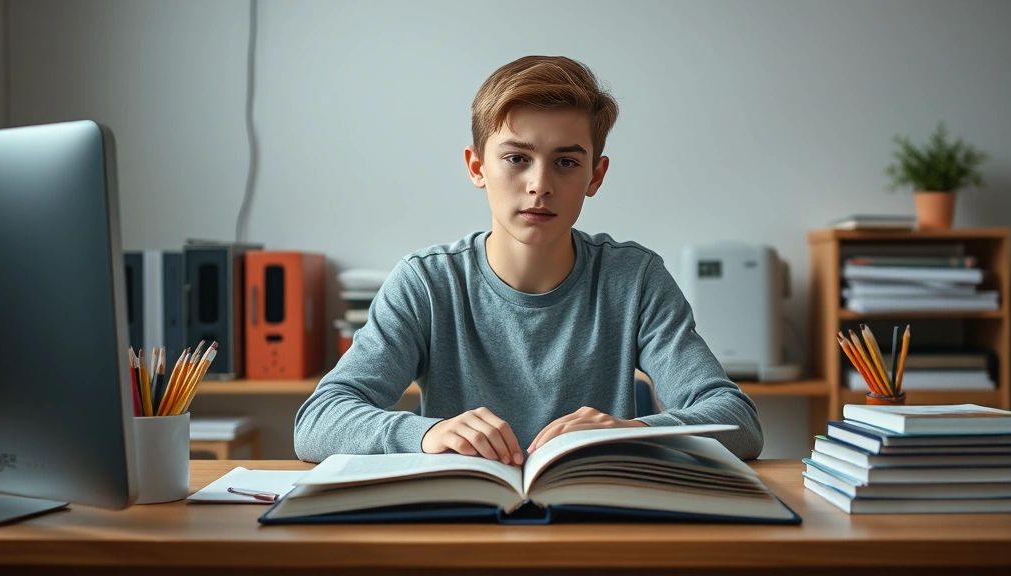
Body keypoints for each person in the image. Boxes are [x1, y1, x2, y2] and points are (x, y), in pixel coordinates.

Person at [294, 55, 763, 465]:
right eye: (517, 158)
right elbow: (318, 420)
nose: (540, 184)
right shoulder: (427, 282)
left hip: (591, 526)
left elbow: (736, 419)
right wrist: (426, 433)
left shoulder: (634, 279)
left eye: (566, 162)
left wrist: (635, 433)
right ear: (477, 167)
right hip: (463, 527)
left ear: (595, 175)